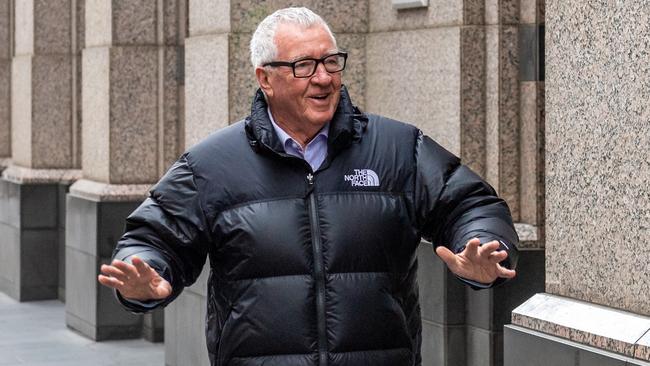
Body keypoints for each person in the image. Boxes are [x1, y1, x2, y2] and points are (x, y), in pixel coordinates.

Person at [98, 7, 518, 366]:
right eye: (304, 66)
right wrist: (144, 276)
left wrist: (483, 245)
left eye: (331, 62)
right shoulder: (212, 164)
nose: (323, 78)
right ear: (265, 78)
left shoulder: (398, 149)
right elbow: (156, 237)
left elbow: (470, 204)